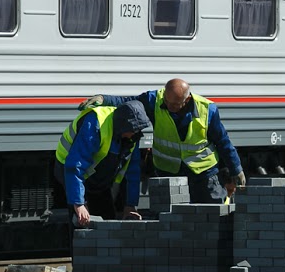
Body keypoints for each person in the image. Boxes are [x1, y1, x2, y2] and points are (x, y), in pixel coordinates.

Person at [81, 78, 245, 203]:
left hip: (203, 172)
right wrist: (104, 98)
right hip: (168, 171)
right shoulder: (155, 100)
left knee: (215, 210)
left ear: (186, 101)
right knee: (172, 220)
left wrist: (236, 169)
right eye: (166, 101)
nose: (167, 106)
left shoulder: (208, 110)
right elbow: (128, 102)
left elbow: (223, 142)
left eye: (173, 104)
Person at [54, 100, 151, 227]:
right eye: (133, 131)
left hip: (98, 177)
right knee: (81, 221)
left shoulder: (132, 134)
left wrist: (130, 205)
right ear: (123, 126)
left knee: (107, 218)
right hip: (69, 169)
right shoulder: (95, 123)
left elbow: (132, 171)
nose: (135, 134)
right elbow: (76, 165)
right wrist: (79, 204)